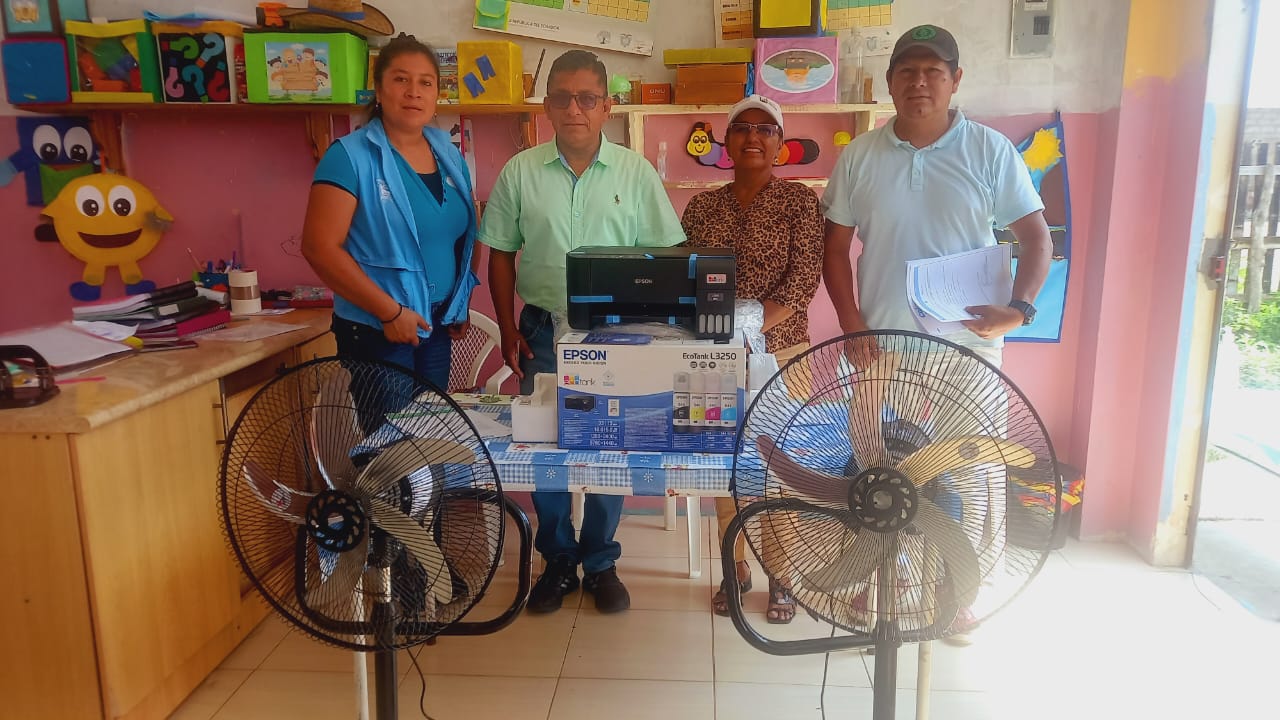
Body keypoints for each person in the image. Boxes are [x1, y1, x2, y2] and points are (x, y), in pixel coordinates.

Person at [821, 25, 1053, 644]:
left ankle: (959, 592)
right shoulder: (860, 156)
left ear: (955, 81)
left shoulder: (989, 151)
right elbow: (835, 248)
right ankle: (879, 579)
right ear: (890, 82)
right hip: (878, 345)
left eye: (933, 72)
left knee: (970, 470)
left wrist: (1019, 309)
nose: (919, 82)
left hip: (966, 347)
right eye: (907, 71)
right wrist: (851, 323)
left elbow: (1036, 237)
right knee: (875, 470)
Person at [479, 49, 686, 614]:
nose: (575, 109)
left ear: (606, 107)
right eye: (564, 98)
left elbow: (665, 257)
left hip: (616, 335)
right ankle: (557, 560)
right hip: (540, 328)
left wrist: (653, 335)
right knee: (543, 444)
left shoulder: (635, 172)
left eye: (588, 98)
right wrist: (507, 327)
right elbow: (500, 254)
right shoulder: (520, 171)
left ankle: (600, 561)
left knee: (610, 445)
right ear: (547, 106)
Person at [681, 95, 823, 624]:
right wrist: (721, 333)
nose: (753, 137)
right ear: (726, 142)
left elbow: (804, 278)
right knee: (725, 464)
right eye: (742, 128)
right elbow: (686, 276)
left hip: (782, 351)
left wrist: (750, 327)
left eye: (766, 129)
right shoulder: (702, 207)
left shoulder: (800, 202)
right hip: (715, 356)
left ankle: (781, 574)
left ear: (780, 143)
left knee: (781, 465)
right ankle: (734, 566)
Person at [301, 34, 479, 398]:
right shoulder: (349, 156)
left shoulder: (449, 155)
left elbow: (465, 236)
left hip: (435, 323)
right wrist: (390, 313)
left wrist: (460, 303)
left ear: (436, 94)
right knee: (391, 435)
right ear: (379, 90)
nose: (414, 92)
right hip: (378, 328)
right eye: (401, 79)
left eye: (425, 82)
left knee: (431, 428)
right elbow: (320, 248)